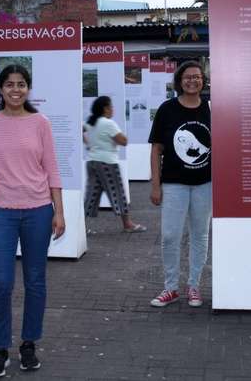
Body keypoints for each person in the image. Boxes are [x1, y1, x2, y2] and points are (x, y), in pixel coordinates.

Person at [0, 64, 65, 377]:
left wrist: (59, 211)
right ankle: (0, 348)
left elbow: (53, 169)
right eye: (9, 84)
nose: (15, 90)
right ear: (0, 89)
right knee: (1, 283)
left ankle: (29, 344)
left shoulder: (40, 122)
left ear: (28, 89)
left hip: (38, 211)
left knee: (35, 281)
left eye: (20, 84)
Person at [148, 60, 211, 308]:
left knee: (200, 235)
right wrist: (155, 184)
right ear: (179, 81)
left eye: (197, 77)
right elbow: (156, 150)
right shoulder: (167, 109)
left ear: (203, 81)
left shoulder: (211, 109)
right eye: (187, 77)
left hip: (205, 183)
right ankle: (170, 287)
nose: (192, 81)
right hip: (174, 183)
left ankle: (194, 286)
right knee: (170, 235)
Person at [83, 95, 145, 233]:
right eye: (111, 106)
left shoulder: (91, 121)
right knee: (117, 191)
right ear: (106, 108)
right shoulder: (108, 123)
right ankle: (128, 224)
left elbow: (80, 129)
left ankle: (81, 227)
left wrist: (88, 144)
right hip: (107, 162)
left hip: (92, 162)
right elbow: (123, 141)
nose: (113, 109)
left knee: (91, 195)